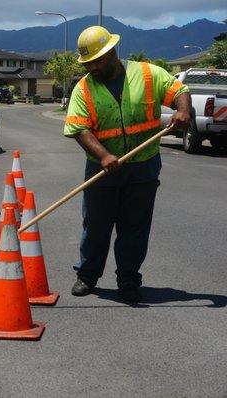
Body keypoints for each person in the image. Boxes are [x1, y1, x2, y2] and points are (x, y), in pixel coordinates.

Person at [64, 26, 192, 302]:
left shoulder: (148, 74)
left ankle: (129, 280)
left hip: (143, 166)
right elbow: (79, 129)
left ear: (111, 53)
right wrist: (104, 156)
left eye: (97, 61)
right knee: (96, 225)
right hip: (102, 169)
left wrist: (183, 110)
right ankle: (87, 275)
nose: (93, 67)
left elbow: (178, 89)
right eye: (88, 63)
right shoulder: (84, 89)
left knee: (134, 227)